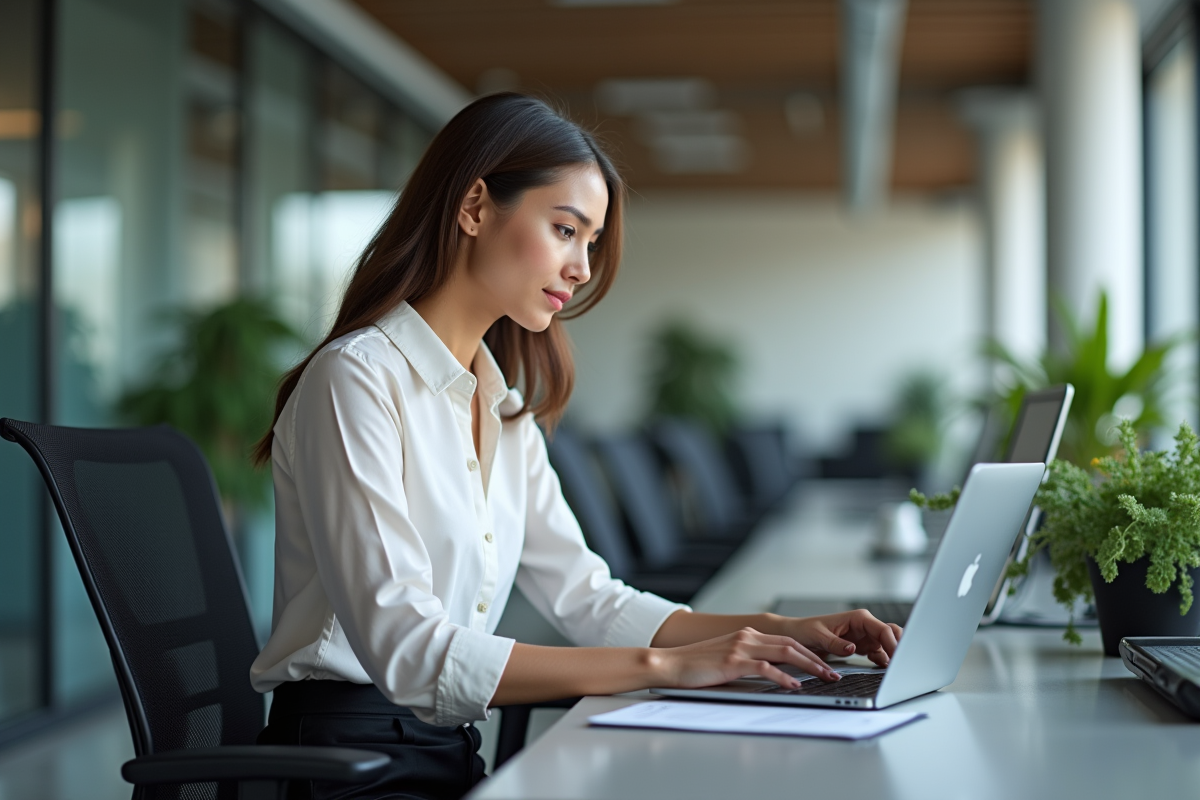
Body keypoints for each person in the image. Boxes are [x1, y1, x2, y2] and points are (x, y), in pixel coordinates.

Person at [249, 93, 902, 800]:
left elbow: (589, 599)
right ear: (474, 207)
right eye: (566, 230)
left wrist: (784, 631)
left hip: (446, 750)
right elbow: (409, 650)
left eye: (589, 242)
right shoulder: (355, 380)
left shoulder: (503, 410)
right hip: (346, 762)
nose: (582, 267)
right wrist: (666, 669)